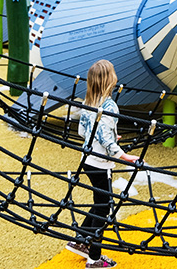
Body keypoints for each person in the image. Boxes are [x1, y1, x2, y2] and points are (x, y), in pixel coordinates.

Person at [67, 60, 140, 268]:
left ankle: (80, 241)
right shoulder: (109, 105)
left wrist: (109, 137)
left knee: (99, 202)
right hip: (100, 163)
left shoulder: (89, 101)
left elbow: (84, 131)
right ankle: (94, 258)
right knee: (104, 207)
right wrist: (123, 155)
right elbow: (104, 138)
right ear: (110, 79)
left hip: (88, 160)